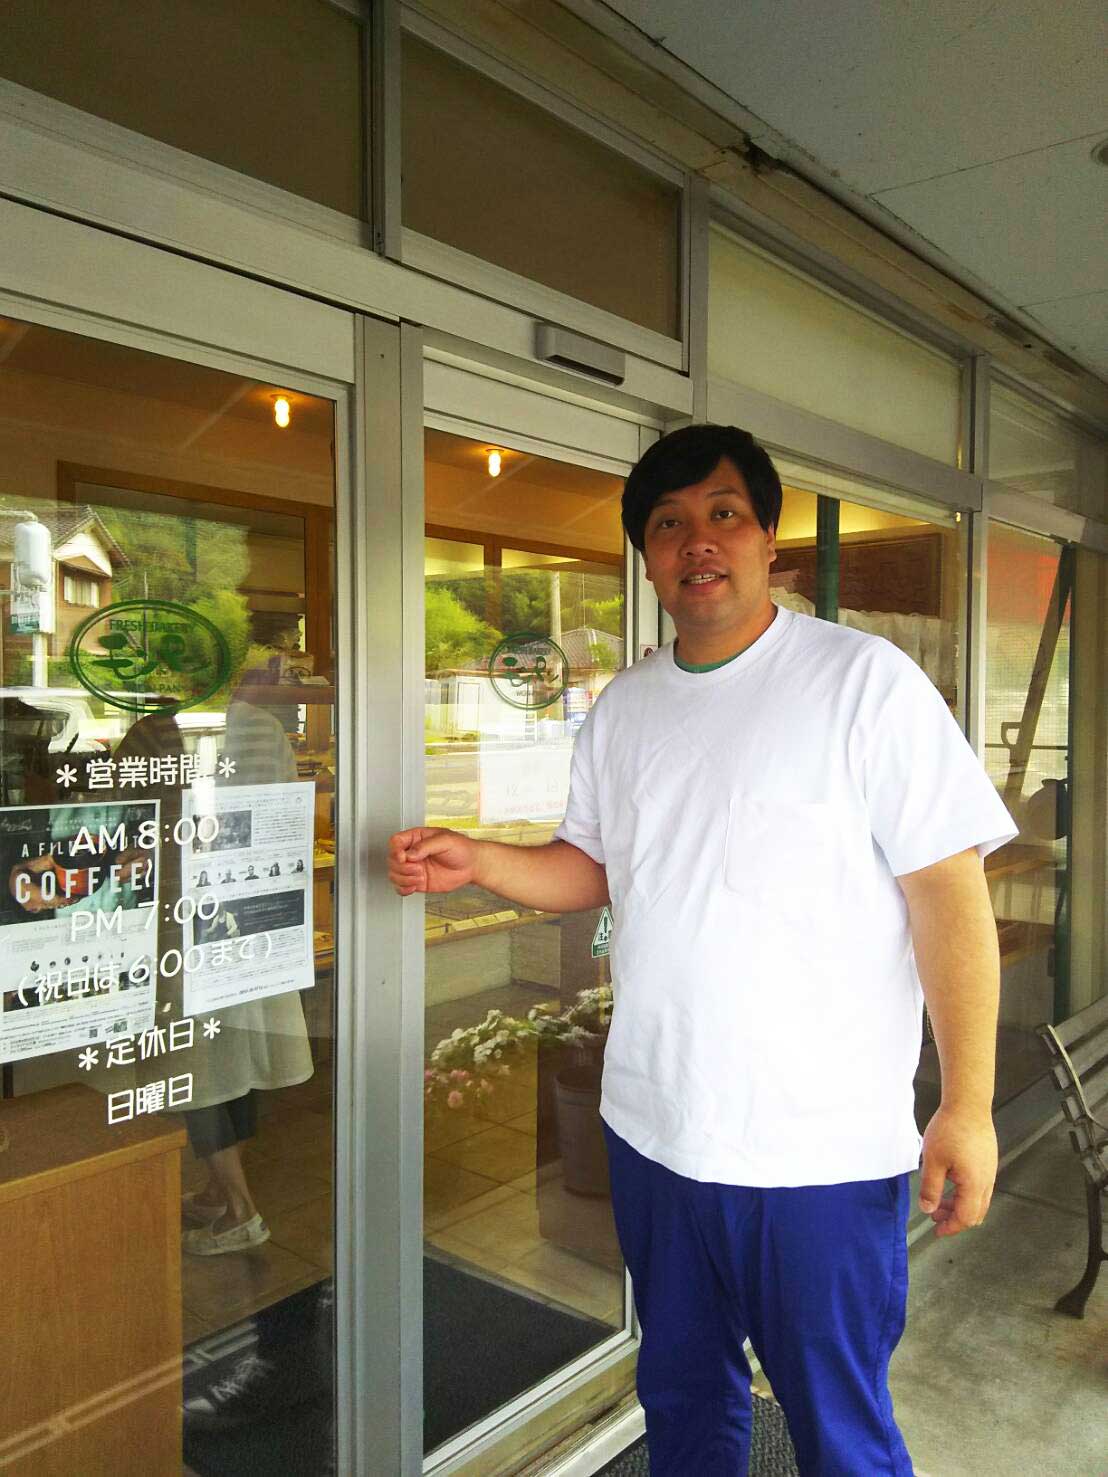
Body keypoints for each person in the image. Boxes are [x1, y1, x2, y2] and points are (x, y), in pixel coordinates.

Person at [388, 424, 1017, 1476]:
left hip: (816, 1156)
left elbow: (949, 896)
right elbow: (595, 866)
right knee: (682, 1400)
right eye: (669, 523)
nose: (698, 541)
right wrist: (483, 860)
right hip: (655, 1129)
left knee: (839, 1429)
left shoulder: (863, 682)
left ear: (768, 538)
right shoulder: (625, 708)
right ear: (647, 556)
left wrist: (968, 1104)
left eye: (724, 513)